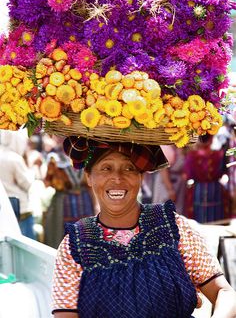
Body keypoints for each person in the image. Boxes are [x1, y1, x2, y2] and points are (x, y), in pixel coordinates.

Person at [52, 136, 236, 318]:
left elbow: (224, 293)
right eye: (106, 168)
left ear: (141, 177)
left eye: (129, 168)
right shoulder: (75, 246)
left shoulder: (173, 227)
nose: (117, 178)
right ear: (89, 177)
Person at [184, 134, 231, 223]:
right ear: (211, 139)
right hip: (215, 189)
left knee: (199, 221)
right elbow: (224, 172)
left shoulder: (191, 156)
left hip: (198, 190)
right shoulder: (219, 155)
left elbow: (188, 175)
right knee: (217, 220)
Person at [0, 129, 36, 239]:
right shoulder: (15, 159)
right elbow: (27, 183)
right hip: (20, 211)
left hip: (4, 211)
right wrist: (32, 169)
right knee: (27, 250)